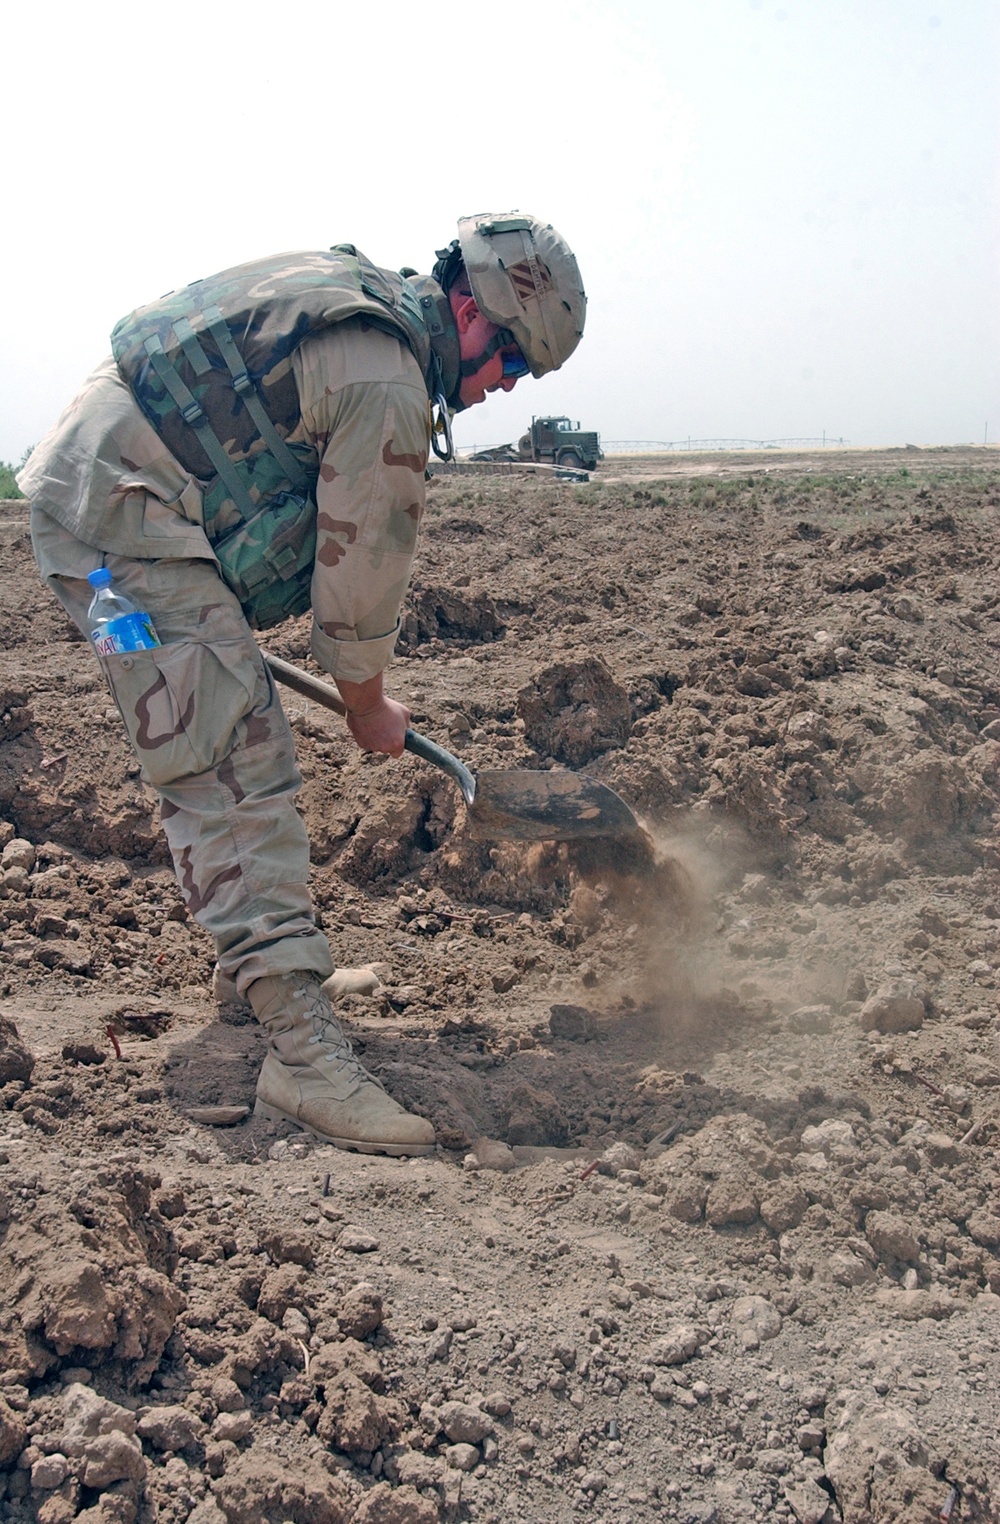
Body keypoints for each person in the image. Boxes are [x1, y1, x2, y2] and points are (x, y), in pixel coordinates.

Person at [19, 213, 586, 1157]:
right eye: (512, 363)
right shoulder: (388, 381)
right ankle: (298, 1051)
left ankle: (255, 976)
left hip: (113, 495)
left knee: (218, 701)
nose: (502, 389)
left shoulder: (368, 310)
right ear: (468, 310)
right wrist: (368, 706)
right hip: (117, 524)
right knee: (232, 751)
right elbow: (360, 580)